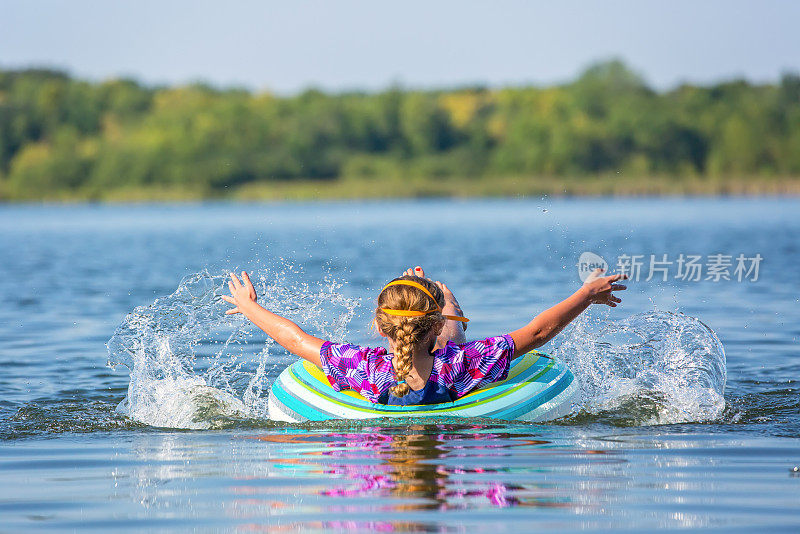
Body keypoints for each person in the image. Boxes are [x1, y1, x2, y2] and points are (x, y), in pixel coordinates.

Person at [222, 266, 626, 406]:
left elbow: (294, 340)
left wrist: (249, 306)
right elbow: (538, 332)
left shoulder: (362, 366)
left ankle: (437, 299)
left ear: (380, 328)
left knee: (448, 340)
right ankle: (444, 300)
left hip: (411, 352)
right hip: (447, 359)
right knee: (452, 342)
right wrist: (587, 293)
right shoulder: (462, 364)